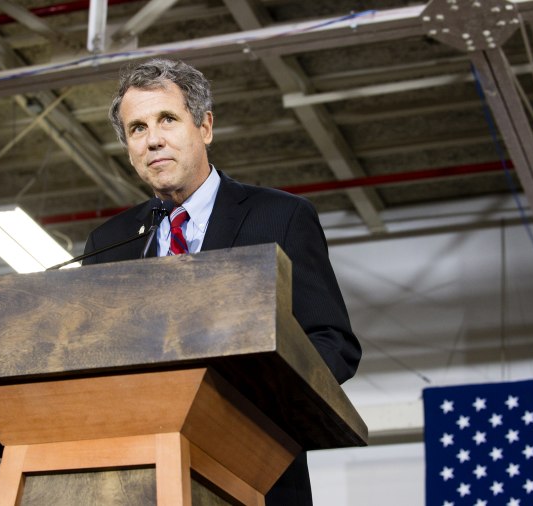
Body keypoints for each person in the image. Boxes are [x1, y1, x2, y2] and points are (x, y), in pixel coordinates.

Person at [82, 58, 361, 505]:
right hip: (139, 478)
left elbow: (331, 343)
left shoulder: (281, 216)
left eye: (167, 120)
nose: (153, 140)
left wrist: (252, 404)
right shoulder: (109, 242)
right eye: (137, 129)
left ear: (204, 127)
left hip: (257, 471)